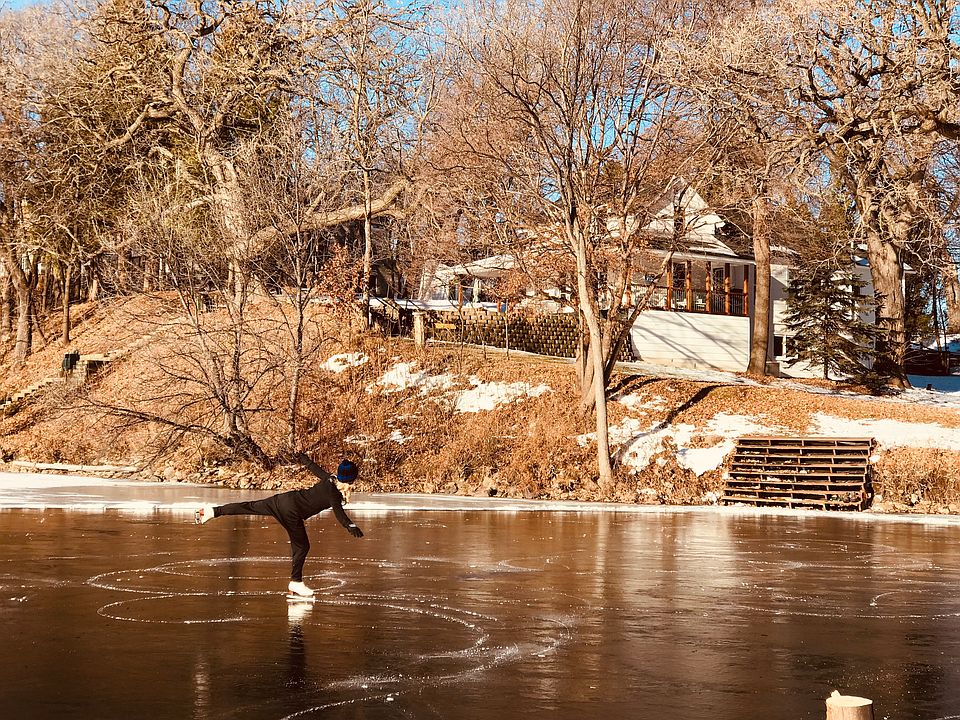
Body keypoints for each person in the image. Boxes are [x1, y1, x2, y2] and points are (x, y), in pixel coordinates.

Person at [194, 455, 363, 598]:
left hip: (283, 500)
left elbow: (314, 468)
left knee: (249, 506)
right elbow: (339, 513)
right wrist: (350, 525)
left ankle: (212, 511)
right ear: (350, 480)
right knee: (302, 546)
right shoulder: (334, 494)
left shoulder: (329, 479)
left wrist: (302, 458)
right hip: (292, 512)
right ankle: (296, 583)